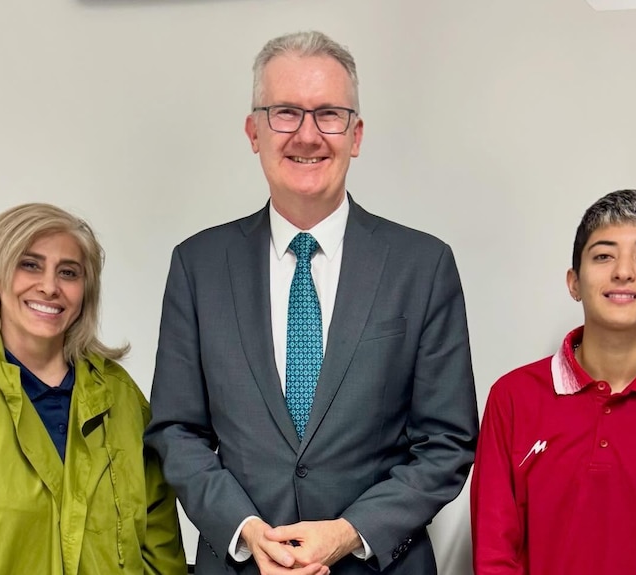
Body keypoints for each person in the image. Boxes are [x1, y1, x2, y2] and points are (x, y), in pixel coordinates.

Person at [145, 30, 478, 575]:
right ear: (254, 131)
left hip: (376, 566)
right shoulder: (198, 265)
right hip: (241, 564)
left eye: (328, 114)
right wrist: (247, 532)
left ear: (356, 134)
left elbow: (447, 441)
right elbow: (176, 431)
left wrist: (349, 534)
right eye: (285, 113)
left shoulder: (423, 265)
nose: (307, 134)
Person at [0, 203, 187, 575]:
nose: (50, 287)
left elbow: (162, 551)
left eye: (68, 272)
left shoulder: (121, 397)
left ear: (85, 291)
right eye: (29, 264)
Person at [470, 189, 636, 575]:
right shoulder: (513, 396)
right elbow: (495, 551)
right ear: (574, 282)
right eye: (603, 255)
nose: (623, 271)